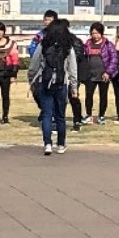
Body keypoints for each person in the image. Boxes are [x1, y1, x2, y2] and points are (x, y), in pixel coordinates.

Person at [28, 18, 79, 155]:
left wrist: (32, 81)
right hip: (61, 84)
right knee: (60, 116)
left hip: (45, 83)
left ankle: (47, 144)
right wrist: (74, 88)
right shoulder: (68, 47)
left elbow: (33, 65)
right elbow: (72, 69)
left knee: (47, 114)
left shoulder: (43, 45)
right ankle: (61, 145)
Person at [82, 22, 118, 125]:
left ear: (102, 33)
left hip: (103, 74)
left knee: (103, 96)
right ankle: (89, 115)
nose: (95, 36)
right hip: (90, 74)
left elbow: (114, 59)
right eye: (93, 33)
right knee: (89, 95)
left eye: (97, 33)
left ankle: (101, 116)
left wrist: (108, 72)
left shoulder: (108, 44)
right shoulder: (87, 44)